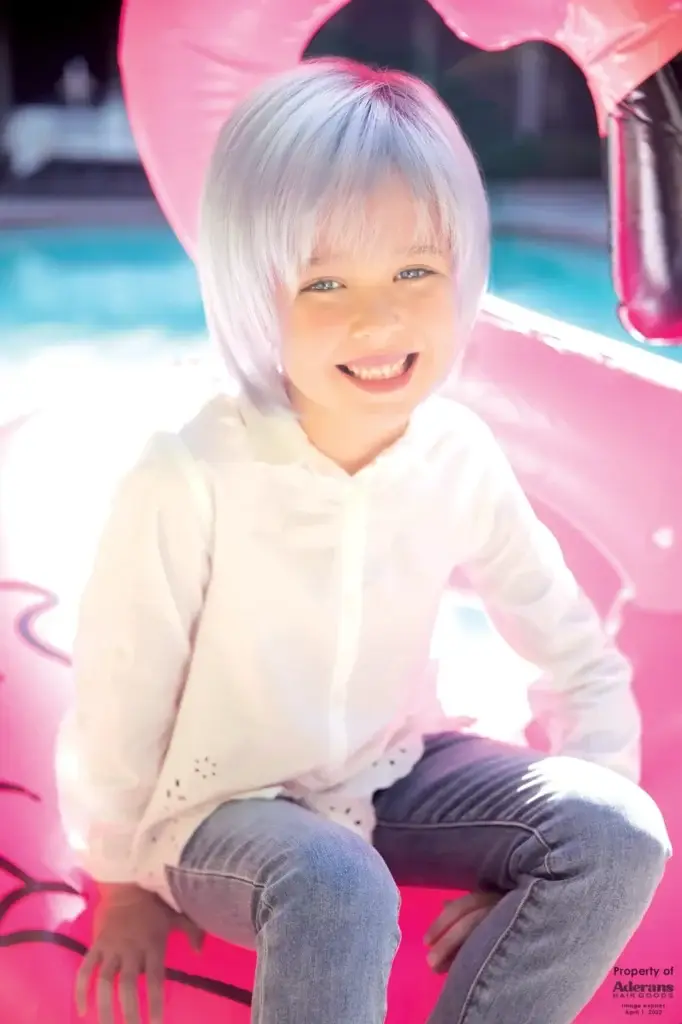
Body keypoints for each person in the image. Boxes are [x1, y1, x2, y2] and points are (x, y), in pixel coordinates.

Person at [56, 58, 671, 1024]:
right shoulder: (188, 471)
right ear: (256, 292)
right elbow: (119, 691)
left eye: (414, 271)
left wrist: (530, 879)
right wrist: (121, 878)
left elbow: (575, 656)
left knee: (617, 832)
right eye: (325, 281)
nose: (377, 317)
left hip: (390, 773)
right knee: (337, 882)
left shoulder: (455, 454)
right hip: (222, 813)